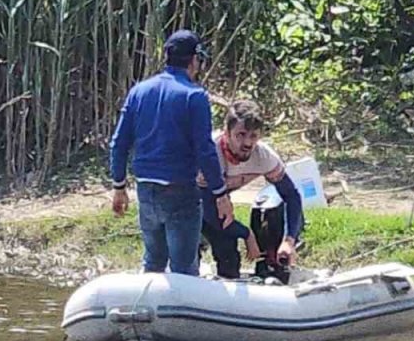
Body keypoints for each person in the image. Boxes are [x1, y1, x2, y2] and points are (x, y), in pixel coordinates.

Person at [109, 29, 234, 276]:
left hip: (145, 190)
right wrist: (220, 193)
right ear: (194, 59)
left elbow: (119, 142)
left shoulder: (139, 91)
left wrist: (119, 186)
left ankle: (149, 311)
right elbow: (205, 151)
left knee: (153, 262)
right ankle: (184, 312)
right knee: (184, 268)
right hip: (181, 192)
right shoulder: (195, 96)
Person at [199, 99, 303, 280]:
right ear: (226, 133)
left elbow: (291, 195)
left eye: (253, 136)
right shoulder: (210, 153)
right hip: (185, 199)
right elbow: (210, 214)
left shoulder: (264, 156)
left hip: (218, 201)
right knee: (192, 245)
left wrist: (289, 240)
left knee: (229, 258)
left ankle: (270, 267)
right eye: (240, 135)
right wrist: (247, 234)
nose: (247, 143)